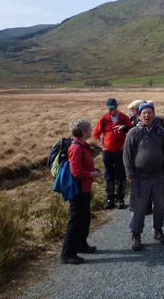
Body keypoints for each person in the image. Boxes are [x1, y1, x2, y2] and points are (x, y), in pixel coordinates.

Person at [123, 102, 164, 251]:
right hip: (140, 177)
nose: (147, 115)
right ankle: (136, 234)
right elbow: (127, 155)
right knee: (138, 208)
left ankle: (158, 231)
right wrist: (130, 175)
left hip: (158, 177)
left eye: (149, 112)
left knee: (159, 207)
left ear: (153, 114)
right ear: (139, 115)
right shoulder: (133, 132)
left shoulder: (160, 131)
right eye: (144, 113)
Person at [61, 117, 102, 265]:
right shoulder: (76, 147)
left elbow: (82, 166)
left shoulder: (82, 145)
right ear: (83, 131)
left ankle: (81, 245)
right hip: (77, 190)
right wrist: (93, 174)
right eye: (89, 128)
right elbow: (76, 172)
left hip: (84, 188)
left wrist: (93, 170)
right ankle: (67, 254)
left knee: (84, 218)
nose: (91, 130)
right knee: (75, 221)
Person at [93, 97, 133, 210]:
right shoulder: (103, 119)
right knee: (109, 176)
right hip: (107, 152)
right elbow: (96, 134)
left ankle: (120, 199)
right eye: (110, 109)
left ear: (117, 107)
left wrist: (124, 145)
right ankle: (110, 199)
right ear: (107, 108)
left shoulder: (124, 118)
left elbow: (131, 132)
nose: (112, 111)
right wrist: (102, 146)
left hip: (120, 152)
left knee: (121, 175)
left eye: (113, 108)